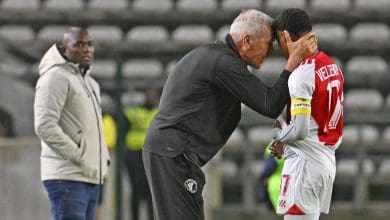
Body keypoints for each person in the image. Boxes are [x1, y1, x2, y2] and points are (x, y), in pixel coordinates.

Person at [142, 9, 318, 220]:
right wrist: (293, 62)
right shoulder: (224, 63)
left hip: (173, 152)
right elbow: (269, 104)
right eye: (269, 43)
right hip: (174, 153)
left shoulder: (217, 56)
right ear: (246, 41)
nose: (271, 50)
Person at [270, 8, 344, 220]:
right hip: (325, 161)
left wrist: (279, 137)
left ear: (284, 36)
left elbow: (300, 131)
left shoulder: (301, 74)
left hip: (304, 166)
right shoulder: (332, 66)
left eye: (278, 41)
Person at [34, 27, 110, 220]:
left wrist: (102, 160)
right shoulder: (55, 77)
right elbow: (44, 125)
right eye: (79, 44)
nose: (86, 49)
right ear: (64, 48)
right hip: (67, 177)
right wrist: (78, 156)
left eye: (89, 44)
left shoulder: (91, 83)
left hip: (89, 176)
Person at [123, 89, 158, 220]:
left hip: (150, 155)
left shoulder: (158, 113)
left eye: (153, 96)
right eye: (149, 96)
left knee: (150, 191)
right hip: (134, 154)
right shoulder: (135, 112)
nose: (151, 98)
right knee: (136, 190)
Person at [259, 140, 285, 212]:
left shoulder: (276, 144)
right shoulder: (300, 140)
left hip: (278, 186)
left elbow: (269, 167)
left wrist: (263, 178)